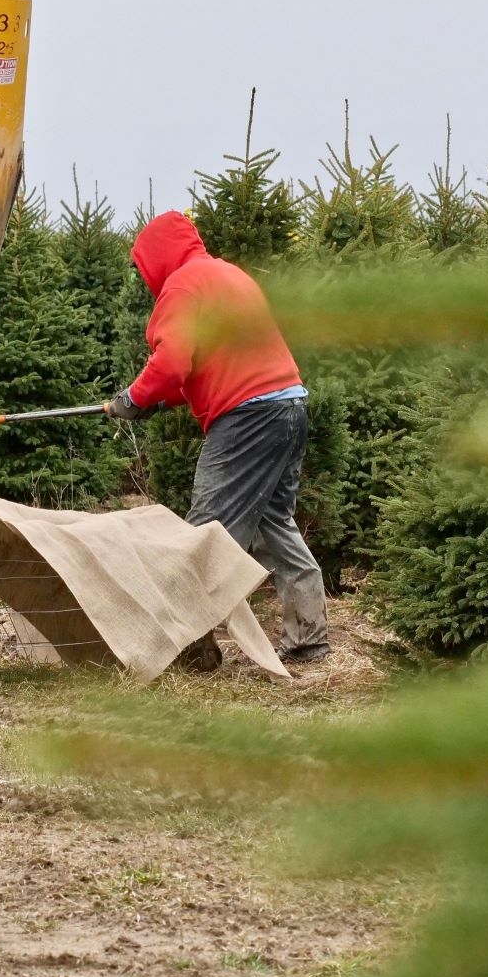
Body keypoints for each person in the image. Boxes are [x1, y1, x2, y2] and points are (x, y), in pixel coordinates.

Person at [107, 210, 331, 667]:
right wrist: (158, 400)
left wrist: (131, 398)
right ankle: (309, 638)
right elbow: (207, 360)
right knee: (274, 522)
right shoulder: (228, 276)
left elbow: (171, 362)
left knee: (207, 529)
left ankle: (190, 648)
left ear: (156, 257)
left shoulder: (183, 284)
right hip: (288, 406)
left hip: (248, 416)